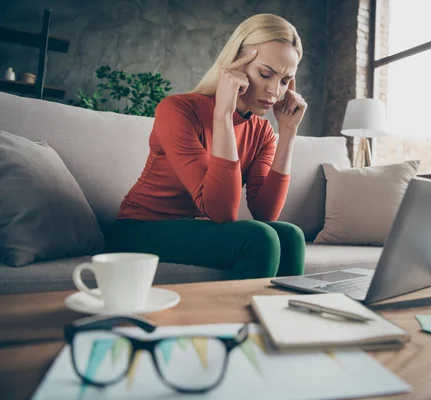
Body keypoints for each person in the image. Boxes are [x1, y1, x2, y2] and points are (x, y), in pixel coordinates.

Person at [109, 14, 307, 279]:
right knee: (258, 239)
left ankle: (277, 321)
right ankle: (236, 320)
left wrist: (288, 131)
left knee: (291, 236)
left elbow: (266, 213)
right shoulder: (178, 109)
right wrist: (223, 114)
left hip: (195, 229)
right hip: (139, 229)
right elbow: (221, 212)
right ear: (235, 65)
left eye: (284, 81)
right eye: (265, 74)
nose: (274, 91)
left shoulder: (261, 133)